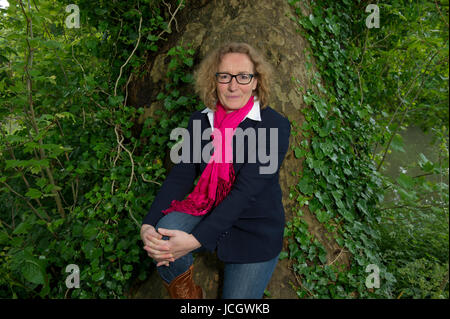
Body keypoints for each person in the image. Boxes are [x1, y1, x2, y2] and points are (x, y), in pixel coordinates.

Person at [140, 42, 291, 299]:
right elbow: (182, 174)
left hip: (253, 229)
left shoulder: (274, 126)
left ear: (256, 81)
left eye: (243, 77)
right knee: (161, 238)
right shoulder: (201, 120)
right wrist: (148, 224)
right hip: (208, 206)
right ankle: (189, 297)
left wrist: (195, 240)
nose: (233, 86)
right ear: (214, 80)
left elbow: (245, 194)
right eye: (224, 76)